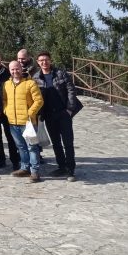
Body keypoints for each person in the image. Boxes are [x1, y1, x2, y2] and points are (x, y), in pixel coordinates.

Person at [33, 51, 80, 181]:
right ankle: (61, 166)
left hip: (63, 113)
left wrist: (70, 109)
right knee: (56, 143)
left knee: (68, 142)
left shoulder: (61, 73)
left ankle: (70, 170)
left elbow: (71, 89)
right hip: (48, 115)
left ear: (50, 60)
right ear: (38, 62)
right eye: (41, 60)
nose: (44, 62)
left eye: (46, 59)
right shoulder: (36, 77)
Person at [3, 59, 45, 183]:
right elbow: (4, 100)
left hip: (28, 123)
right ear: (9, 71)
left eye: (17, 68)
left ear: (21, 69)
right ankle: (24, 168)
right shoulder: (6, 85)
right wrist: (6, 111)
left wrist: (30, 113)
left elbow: (39, 100)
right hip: (13, 122)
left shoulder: (30, 83)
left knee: (32, 147)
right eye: (12, 69)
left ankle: (35, 171)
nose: (15, 71)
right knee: (21, 146)